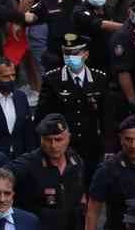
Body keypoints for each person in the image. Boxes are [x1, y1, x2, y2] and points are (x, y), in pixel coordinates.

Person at [35, 34, 113, 177]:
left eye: (75, 53)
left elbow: (107, 116)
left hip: (90, 145)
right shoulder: (53, 79)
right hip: (62, 146)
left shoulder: (99, 79)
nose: (71, 57)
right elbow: (42, 115)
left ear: (85, 54)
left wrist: (107, 147)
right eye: (67, 53)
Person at [4, 114, 86, 230]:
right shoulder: (28, 164)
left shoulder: (75, 160)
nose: (53, 146)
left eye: (58, 140)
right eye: (48, 140)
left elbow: (82, 190)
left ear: (68, 138)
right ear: (40, 139)